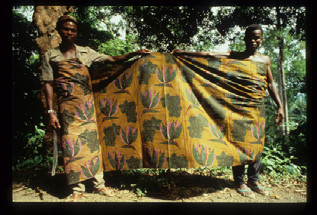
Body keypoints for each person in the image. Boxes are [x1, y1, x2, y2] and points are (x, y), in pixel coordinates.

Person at [42, 15, 151, 202]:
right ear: (59, 31)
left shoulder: (86, 52)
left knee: (92, 144)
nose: (69, 32)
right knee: (71, 147)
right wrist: (51, 112)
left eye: (73, 30)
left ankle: (99, 185)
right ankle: (77, 188)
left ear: (76, 33)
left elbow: (111, 59)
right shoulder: (50, 55)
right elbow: (48, 84)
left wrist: (134, 54)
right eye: (66, 29)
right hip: (66, 108)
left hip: (86, 106)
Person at [171, 24, 284, 197]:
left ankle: (254, 181)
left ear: (261, 39)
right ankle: (239, 181)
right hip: (237, 106)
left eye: (258, 37)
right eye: (252, 37)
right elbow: (209, 55)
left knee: (256, 143)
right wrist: (184, 53)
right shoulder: (234, 56)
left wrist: (280, 106)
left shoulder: (265, 60)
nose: (255, 41)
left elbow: (270, 83)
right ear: (245, 38)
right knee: (239, 142)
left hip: (257, 106)